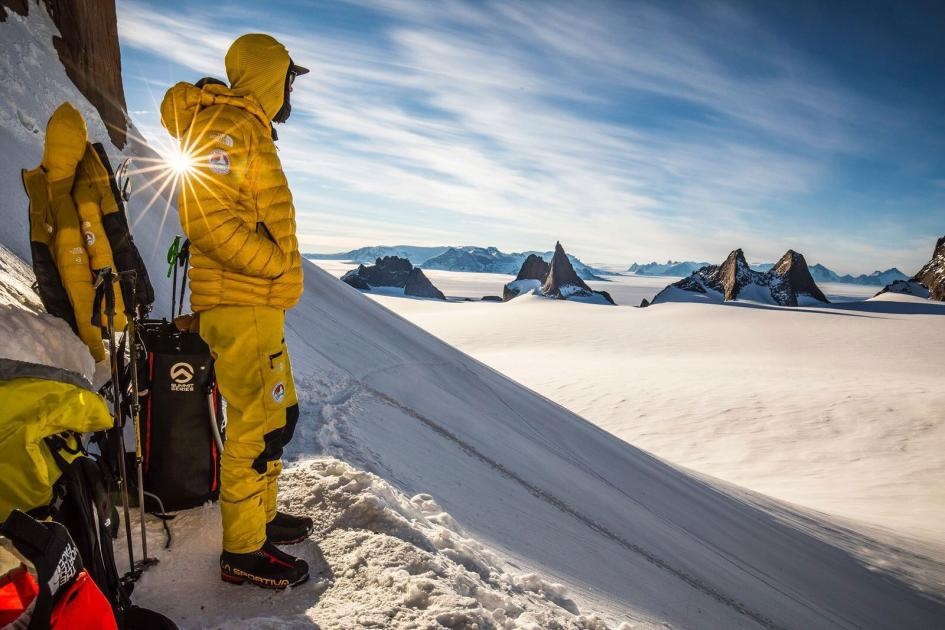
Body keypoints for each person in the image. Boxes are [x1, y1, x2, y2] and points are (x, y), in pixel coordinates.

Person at [159, 34, 311, 589]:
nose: (292, 92)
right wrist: (273, 263)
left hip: (257, 307)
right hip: (243, 301)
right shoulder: (226, 127)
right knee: (257, 425)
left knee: (279, 417)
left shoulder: (245, 127)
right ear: (269, 76)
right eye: (289, 80)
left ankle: (263, 518)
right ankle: (244, 551)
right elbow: (208, 221)